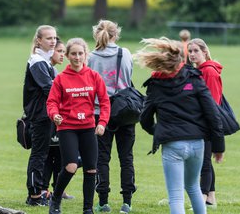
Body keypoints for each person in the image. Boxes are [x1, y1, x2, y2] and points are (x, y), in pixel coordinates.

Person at [136, 37, 225, 214]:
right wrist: (219, 146)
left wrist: (158, 131)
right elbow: (213, 114)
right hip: (197, 144)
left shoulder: (156, 84)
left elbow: (144, 118)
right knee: (194, 188)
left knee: (176, 196)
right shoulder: (195, 77)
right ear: (180, 59)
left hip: (172, 145)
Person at [47, 38, 110, 214]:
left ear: (85, 55)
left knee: (91, 168)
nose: (77, 57)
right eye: (73, 54)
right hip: (67, 127)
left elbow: (105, 102)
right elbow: (51, 102)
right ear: (67, 56)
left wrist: (102, 122)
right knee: (71, 166)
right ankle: (56, 198)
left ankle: (87, 209)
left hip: (88, 127)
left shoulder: (94, 76)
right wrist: (55, 115)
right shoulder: (61, 79)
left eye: (80, 53)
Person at [87, 20, 136, 213]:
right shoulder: (125, 53)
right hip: (124, 112)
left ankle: (103, 201)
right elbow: (128, 77)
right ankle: (127, 201)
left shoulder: (91, 57)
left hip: (100, 113)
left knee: (102, 159)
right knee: (126, 157)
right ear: (116, 34)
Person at [23, 25, 57, 206]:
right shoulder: (37, 61)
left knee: (45, 154)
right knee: (39, 155)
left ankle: (39, 192)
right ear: (39, 41)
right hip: (40, 116)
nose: (52, 41)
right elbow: (48, 88)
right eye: (49, 38)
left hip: (47, 115)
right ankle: (35, 195)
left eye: (54, 38)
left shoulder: (45, 61)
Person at [188, 38, 222, 209]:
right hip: (199, 122)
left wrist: (208, 123)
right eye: (190, 51)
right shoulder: (199, 70)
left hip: (207, 124)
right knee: (204, 161)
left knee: (203, 163)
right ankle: (211, 199)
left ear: (204, 52)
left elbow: (213, 101)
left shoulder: (208, 71)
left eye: (196, 51)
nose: (192, 54)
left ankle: (200, 201)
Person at [41, 38, 74, 200]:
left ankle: (59, 189)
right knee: (49, 154)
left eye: (63, 52)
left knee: (60, 154)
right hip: (49, 118)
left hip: (60, 119)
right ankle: (43, 188)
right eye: (59, 51)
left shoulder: (55, 71)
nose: (62, 55)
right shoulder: (45, 69)